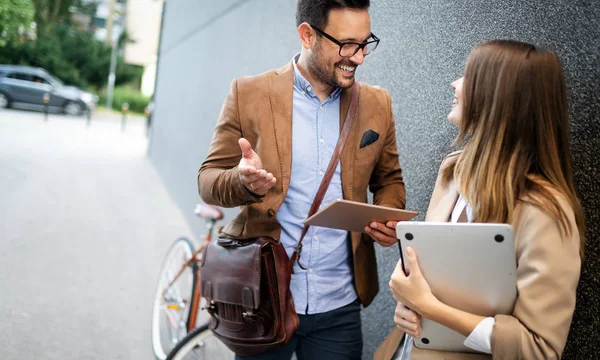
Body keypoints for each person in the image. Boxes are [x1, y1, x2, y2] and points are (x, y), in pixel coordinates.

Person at [198, 1, 406, 359]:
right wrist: (242, 181)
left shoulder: (378, 104)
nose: (358, 58)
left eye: (364, 43)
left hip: (339, 306)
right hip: (264, 300)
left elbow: (390, 181)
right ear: (307, 35)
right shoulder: (248, 93)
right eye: (346, 44)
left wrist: (385, 215)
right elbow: (208, 180)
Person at [375, 39, 585, 360]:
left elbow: (538, 348)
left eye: (468, 75)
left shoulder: (546, 212)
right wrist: (410, 310)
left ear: (498, 95)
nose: (455, 84)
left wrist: (428, 306)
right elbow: (434, 280)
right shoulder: (452, 171)